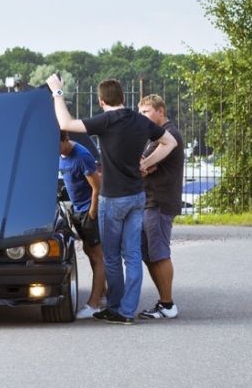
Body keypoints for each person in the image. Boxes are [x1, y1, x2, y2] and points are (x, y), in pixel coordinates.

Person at [47, 74, 177, 325]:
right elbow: (169, 142)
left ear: (101, 101)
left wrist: (57, 92)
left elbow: (65, 122)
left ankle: (115, 307)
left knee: (112, 256)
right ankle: (128, 311)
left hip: (112, 198)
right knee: (132, 255)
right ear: (124, 98)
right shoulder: (140, 121)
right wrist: (147, 163)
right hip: (137, 196)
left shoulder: (105, 121)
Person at [137, 95, 185, 319]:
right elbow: (143, 164)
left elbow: (140, 163)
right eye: (140, 113)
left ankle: (168, 304)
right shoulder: (156, 136)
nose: (142, 117)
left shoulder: (168, 135)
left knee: (159, 254)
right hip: (151, 201)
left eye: (146, 112)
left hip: (159, 202)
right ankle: (163, 303)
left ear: (160, 111)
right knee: (149, 254)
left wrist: (144, 164)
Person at [59, 131, 107, 319]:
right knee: (88, 250)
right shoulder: (60, 154)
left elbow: (97, 187)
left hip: (88, 210)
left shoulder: (82, 156)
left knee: (97, 255)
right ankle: (103, 292)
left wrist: (92, 212)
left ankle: (93, 304)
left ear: (66, 139)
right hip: (77, 210)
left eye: (58, 145)